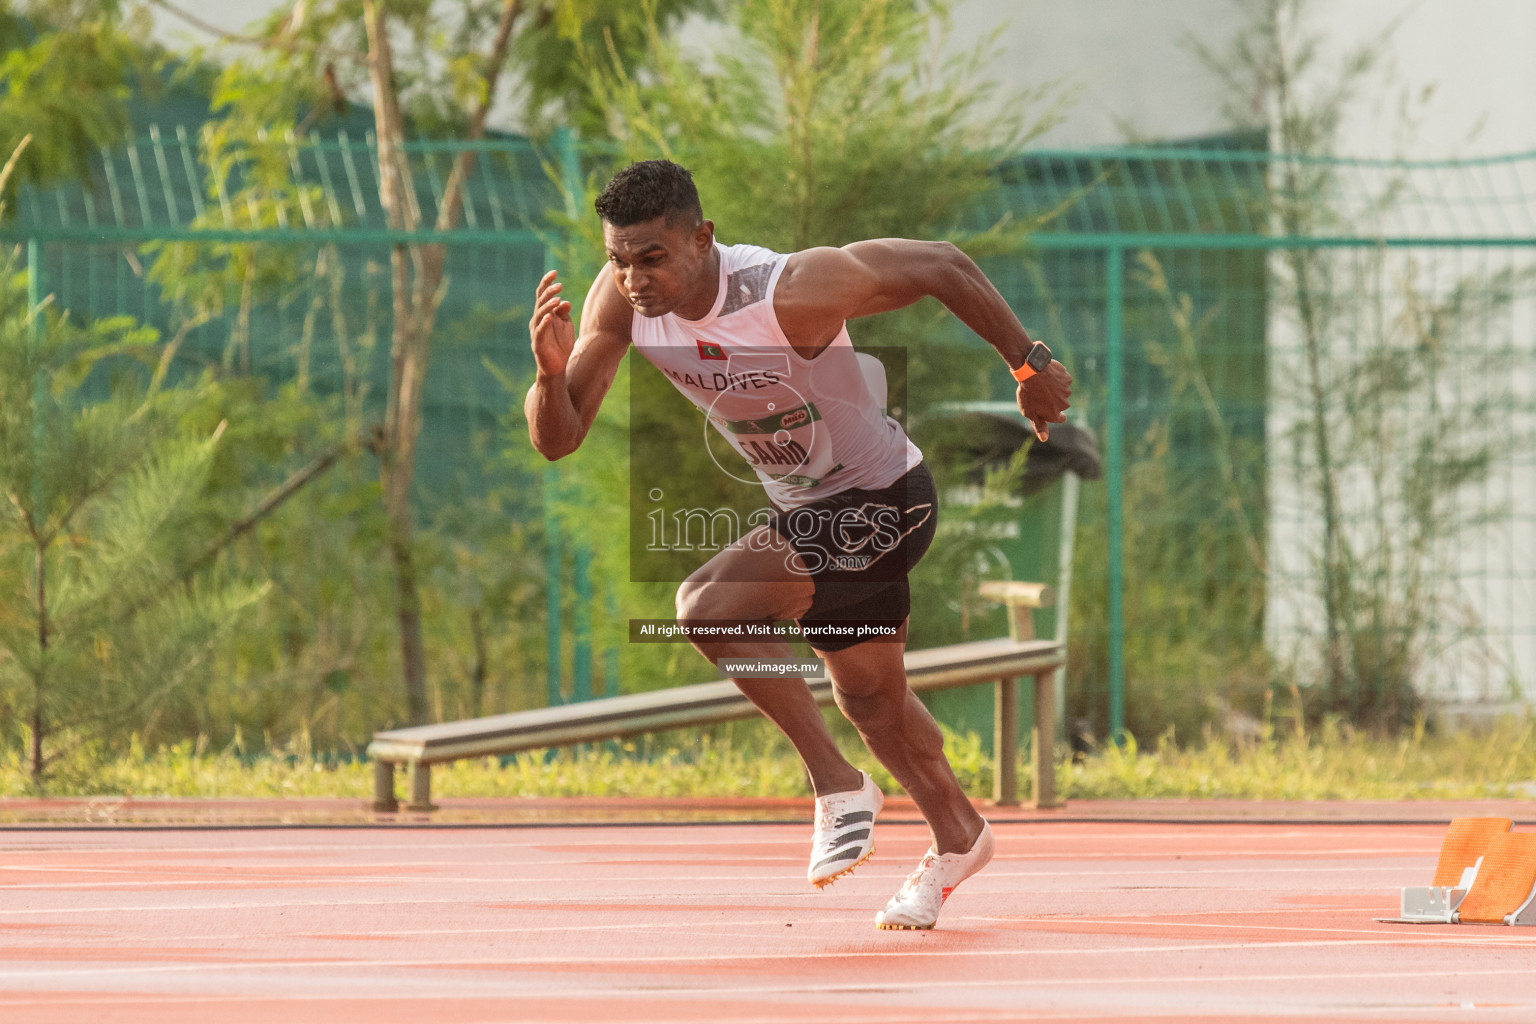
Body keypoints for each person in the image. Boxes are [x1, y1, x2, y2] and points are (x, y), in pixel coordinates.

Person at [526, 160, 1071, 930]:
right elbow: (560, 439)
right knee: (873, 701)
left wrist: (1029, 363)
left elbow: (942, 263)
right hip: (812, 508)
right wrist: (550, 377)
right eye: (619, 259)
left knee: (709, 609)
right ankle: (959, 838)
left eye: (653, 258)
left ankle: (835, 784)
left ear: (702, 238)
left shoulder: (789, 292)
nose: (634, 278)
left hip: (884, 498)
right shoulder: (619, 302)